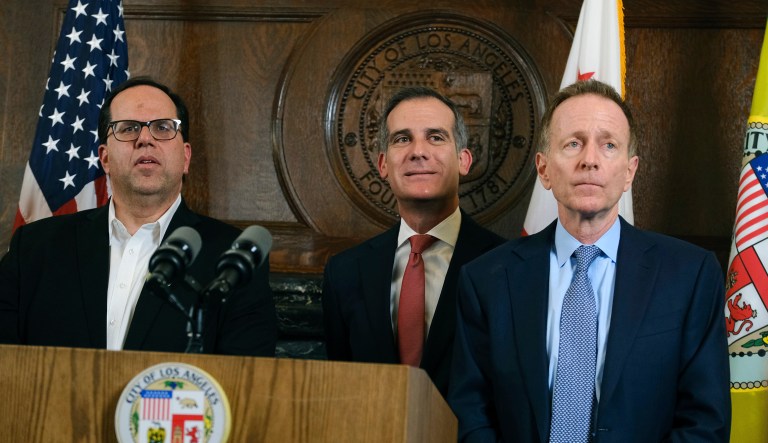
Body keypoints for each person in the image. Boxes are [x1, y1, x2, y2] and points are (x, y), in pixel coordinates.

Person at [448, 80, 730, 442]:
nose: (590, 160)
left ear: (629, 171)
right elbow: (471, 414)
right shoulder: (486, 279)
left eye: (608, 145)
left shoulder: (690, 276)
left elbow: (705, 422)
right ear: (544, 168)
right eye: (573, 143)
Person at [0, 77, 277, 356]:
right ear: (105, 158)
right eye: (129, 128)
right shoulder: (35, 248)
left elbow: (245, 379)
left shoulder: (234, 259)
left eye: (163, 127)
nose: (145, 139)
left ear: (186, 157)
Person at [322, 86, 505, 398]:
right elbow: (341, 389)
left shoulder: (505, 265)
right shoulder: (345, 272)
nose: (418, 151)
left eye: (435, 137)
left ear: (464, 160)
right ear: (383, 164)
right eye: (402, 139)